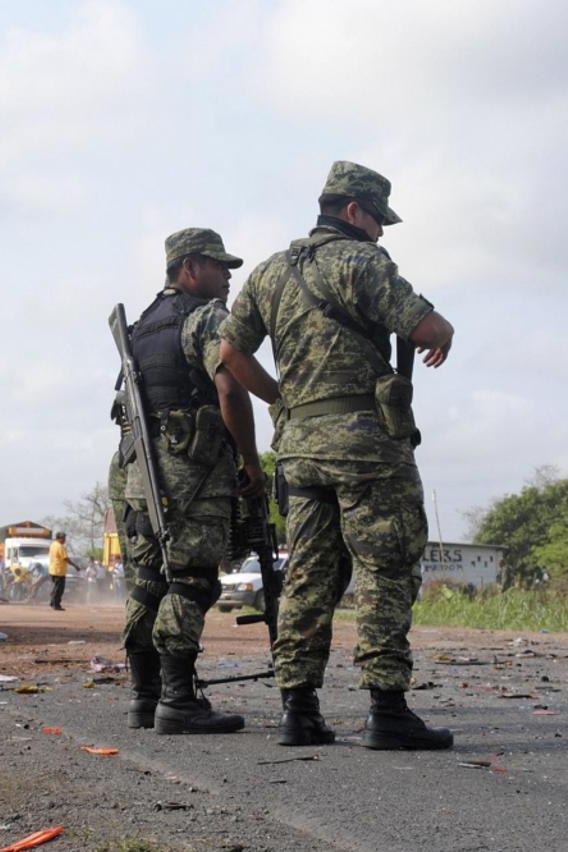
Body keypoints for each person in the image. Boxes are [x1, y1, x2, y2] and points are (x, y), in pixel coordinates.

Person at [219, 161, 455, 751]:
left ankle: (298, 711)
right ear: (353, 211)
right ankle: (388, 709)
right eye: (378, 218)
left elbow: (229, 352)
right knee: (386, 567)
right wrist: (444, 328)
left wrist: (283, 400)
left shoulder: (271, 272)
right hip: (366, 449)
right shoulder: (364, 262)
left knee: (308, 574)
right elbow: (425, 327)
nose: (382, 231)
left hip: (299, 449)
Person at [116, 227, 265, 734]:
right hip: (192, 475)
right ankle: (178, 700)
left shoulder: (142, 326)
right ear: (190, 267)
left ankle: (144, 696)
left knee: (150, 582)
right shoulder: (204, 317)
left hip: (142, 476)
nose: (227, 277)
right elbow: (231, 388)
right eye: (220, 266)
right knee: (192, 580)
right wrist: (251, 461)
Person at [47, 532, 81, 610]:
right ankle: (56, 605)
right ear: (59, 538)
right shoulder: (60, 547)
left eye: (64, 538)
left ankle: (53, 602)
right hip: (59, 570)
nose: (64, 540)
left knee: (56, 587)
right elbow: (65, 558)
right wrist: (75, 565)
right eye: (63, 538)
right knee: (59, 589)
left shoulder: (53, 545)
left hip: (53, 569)